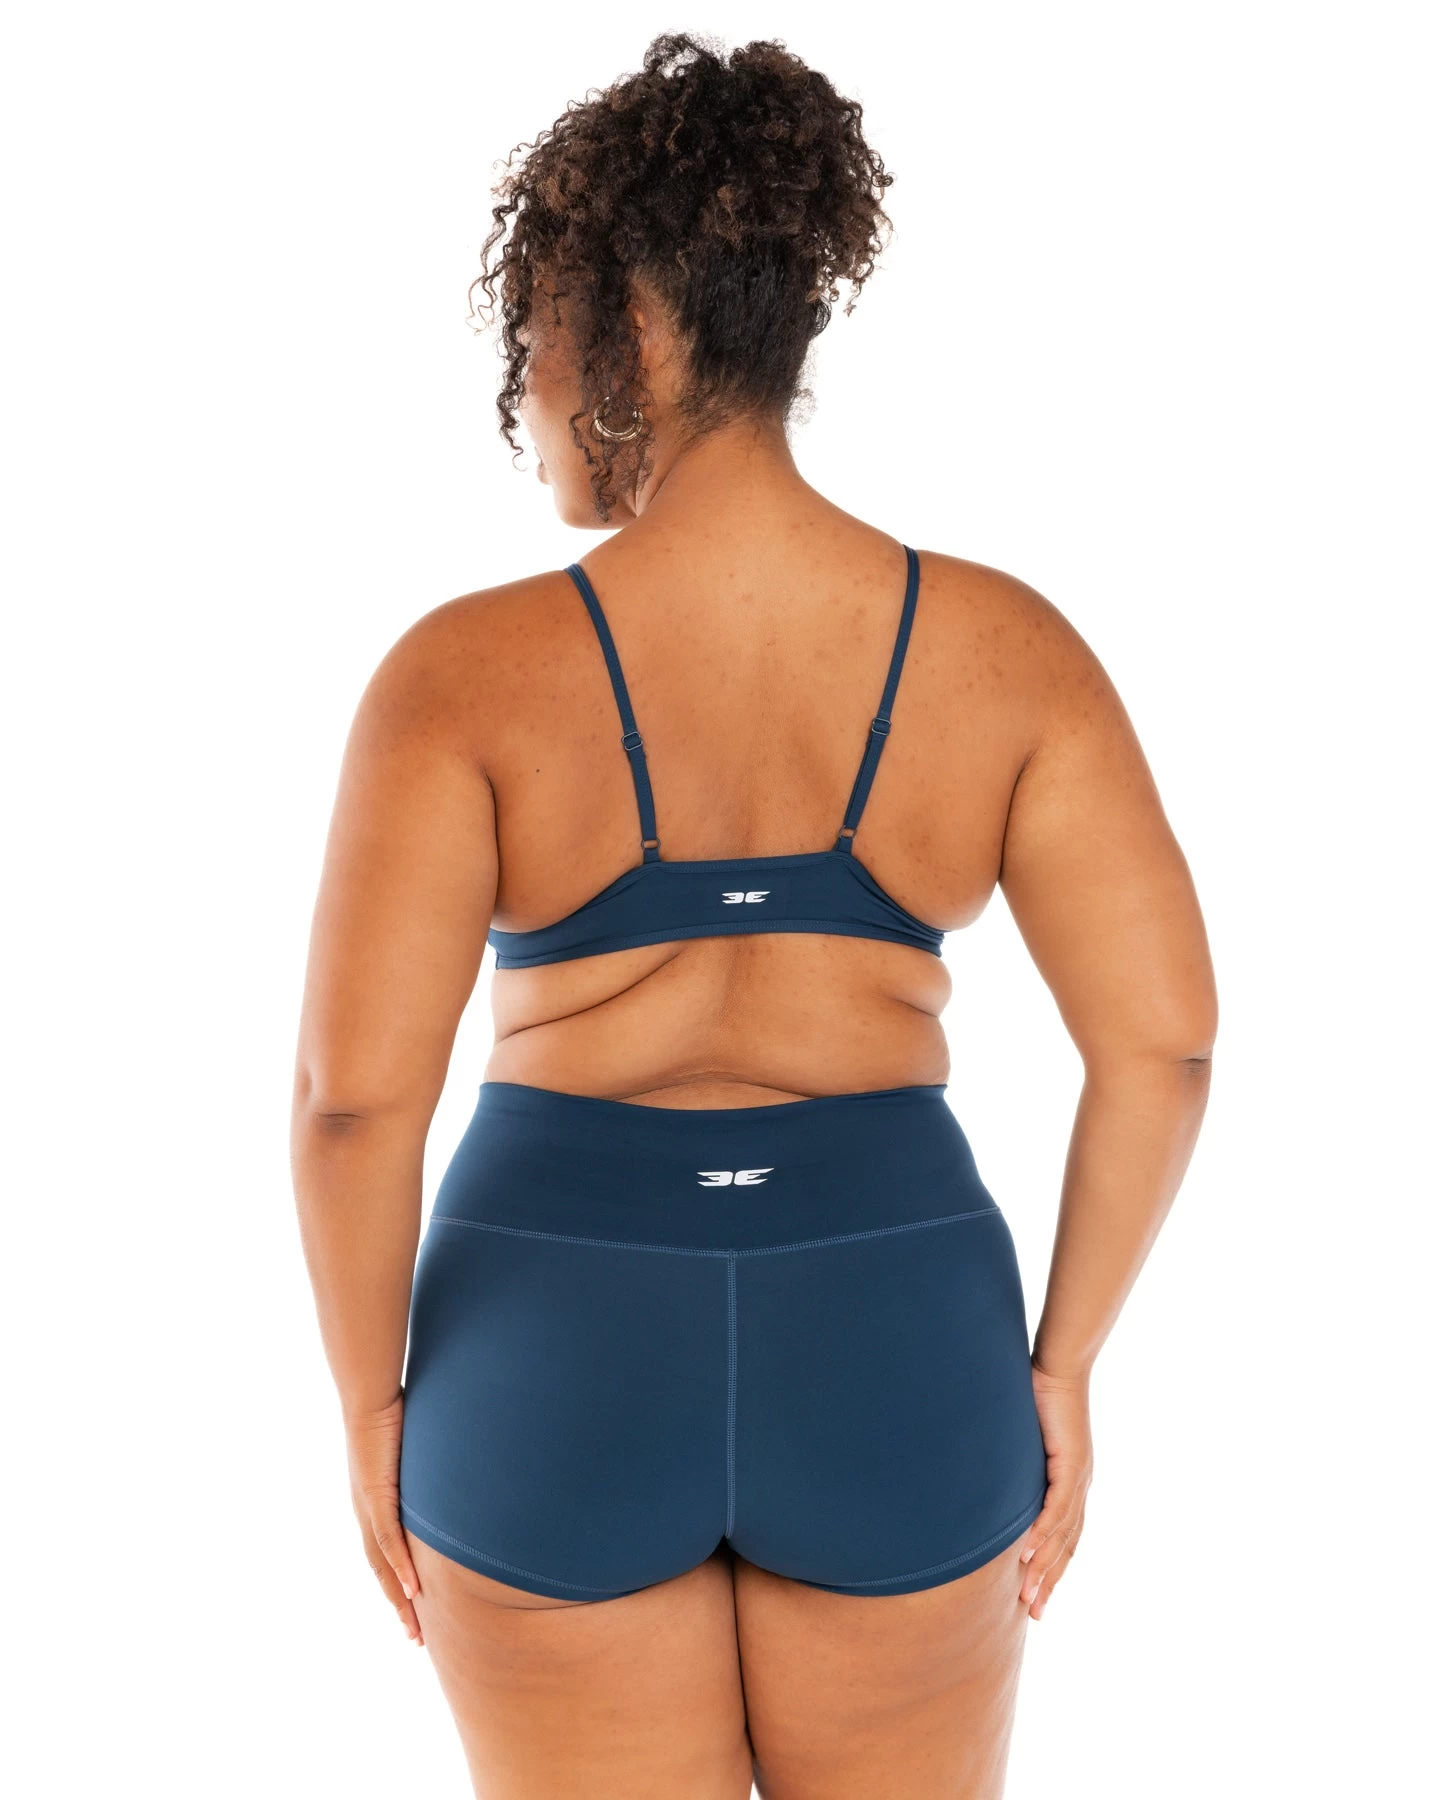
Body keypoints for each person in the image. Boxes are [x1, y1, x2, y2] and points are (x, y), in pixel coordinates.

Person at [292, 33, 1216, 1800]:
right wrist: (1067, 1364)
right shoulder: (1008, 653)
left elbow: (352, 1101)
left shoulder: (458, 678)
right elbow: (1166, 1043)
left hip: (547, 1344)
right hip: (900, 1336)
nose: (529, 397)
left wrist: (367, 1402)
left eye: (536, 339)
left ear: (634, 330)